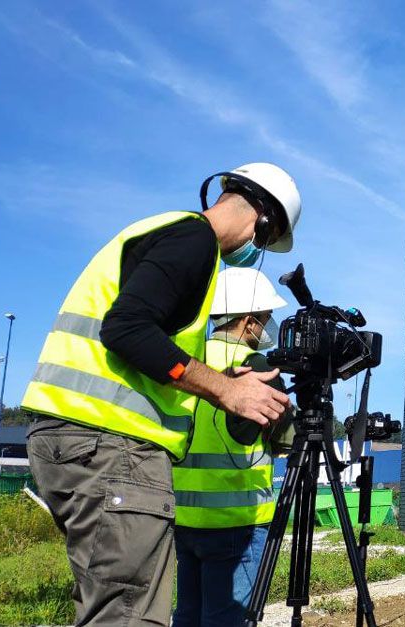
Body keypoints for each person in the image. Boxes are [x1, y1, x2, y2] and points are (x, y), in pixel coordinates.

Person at [22, 163, 302, 626]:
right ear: (264, 219)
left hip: (70, 437)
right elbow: (127, 330)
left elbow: (138, 343)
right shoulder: (195, 239)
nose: (259, 250)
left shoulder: (154, 230)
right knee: (129, 614)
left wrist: (218, 381)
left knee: (107, 606)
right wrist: (225, 390)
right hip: (111, 447)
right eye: (267, 241)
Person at [172, 267, 293, 627]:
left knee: (189, 615)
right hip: (237, 521)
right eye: (266, 318)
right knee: (227, 620)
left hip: (185, 518)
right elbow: (286, 438)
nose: (267, 327)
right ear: (248, 321)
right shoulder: (256, 366)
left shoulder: (186, 360)